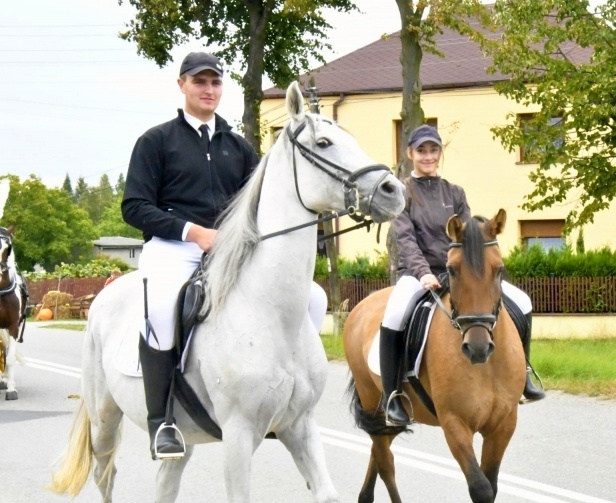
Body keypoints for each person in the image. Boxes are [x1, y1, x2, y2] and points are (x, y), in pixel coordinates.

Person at [122, 52, 328, 460]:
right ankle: (161, 422)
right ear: (181, 85)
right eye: (199, 82)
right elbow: (134, 206)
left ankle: (283, 399)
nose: (208, 90)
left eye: (215, 82)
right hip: (173, 249)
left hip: (231, 253)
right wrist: (193, 232)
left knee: (314, 297)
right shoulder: (156, 141)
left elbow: (263, 203)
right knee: (164, 309)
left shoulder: (238, 147)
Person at [379, 124, 545, 427]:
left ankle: (524, 375)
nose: (428, 156)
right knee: (395, 314)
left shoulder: (454, 192)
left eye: (433, 150)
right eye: (421, 151)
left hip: (459, 273)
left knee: (521, 301)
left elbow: (470, 237)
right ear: (410, 154)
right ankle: (392, 396)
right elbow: (405, 240)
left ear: (440, 153)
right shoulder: (402, 192)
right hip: (419, 274)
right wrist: (423, 273)